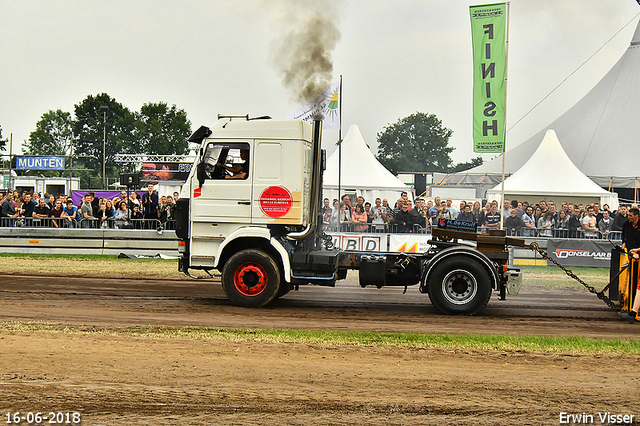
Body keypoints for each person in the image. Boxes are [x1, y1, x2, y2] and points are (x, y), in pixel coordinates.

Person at [618, 207, 640, 323]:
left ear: (636, 216)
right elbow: (624, 237)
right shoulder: (626, 225)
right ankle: (633, 313)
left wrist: (638, 251)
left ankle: (633, 313)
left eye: (631, 216)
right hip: (631, 254)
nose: (629, 218)